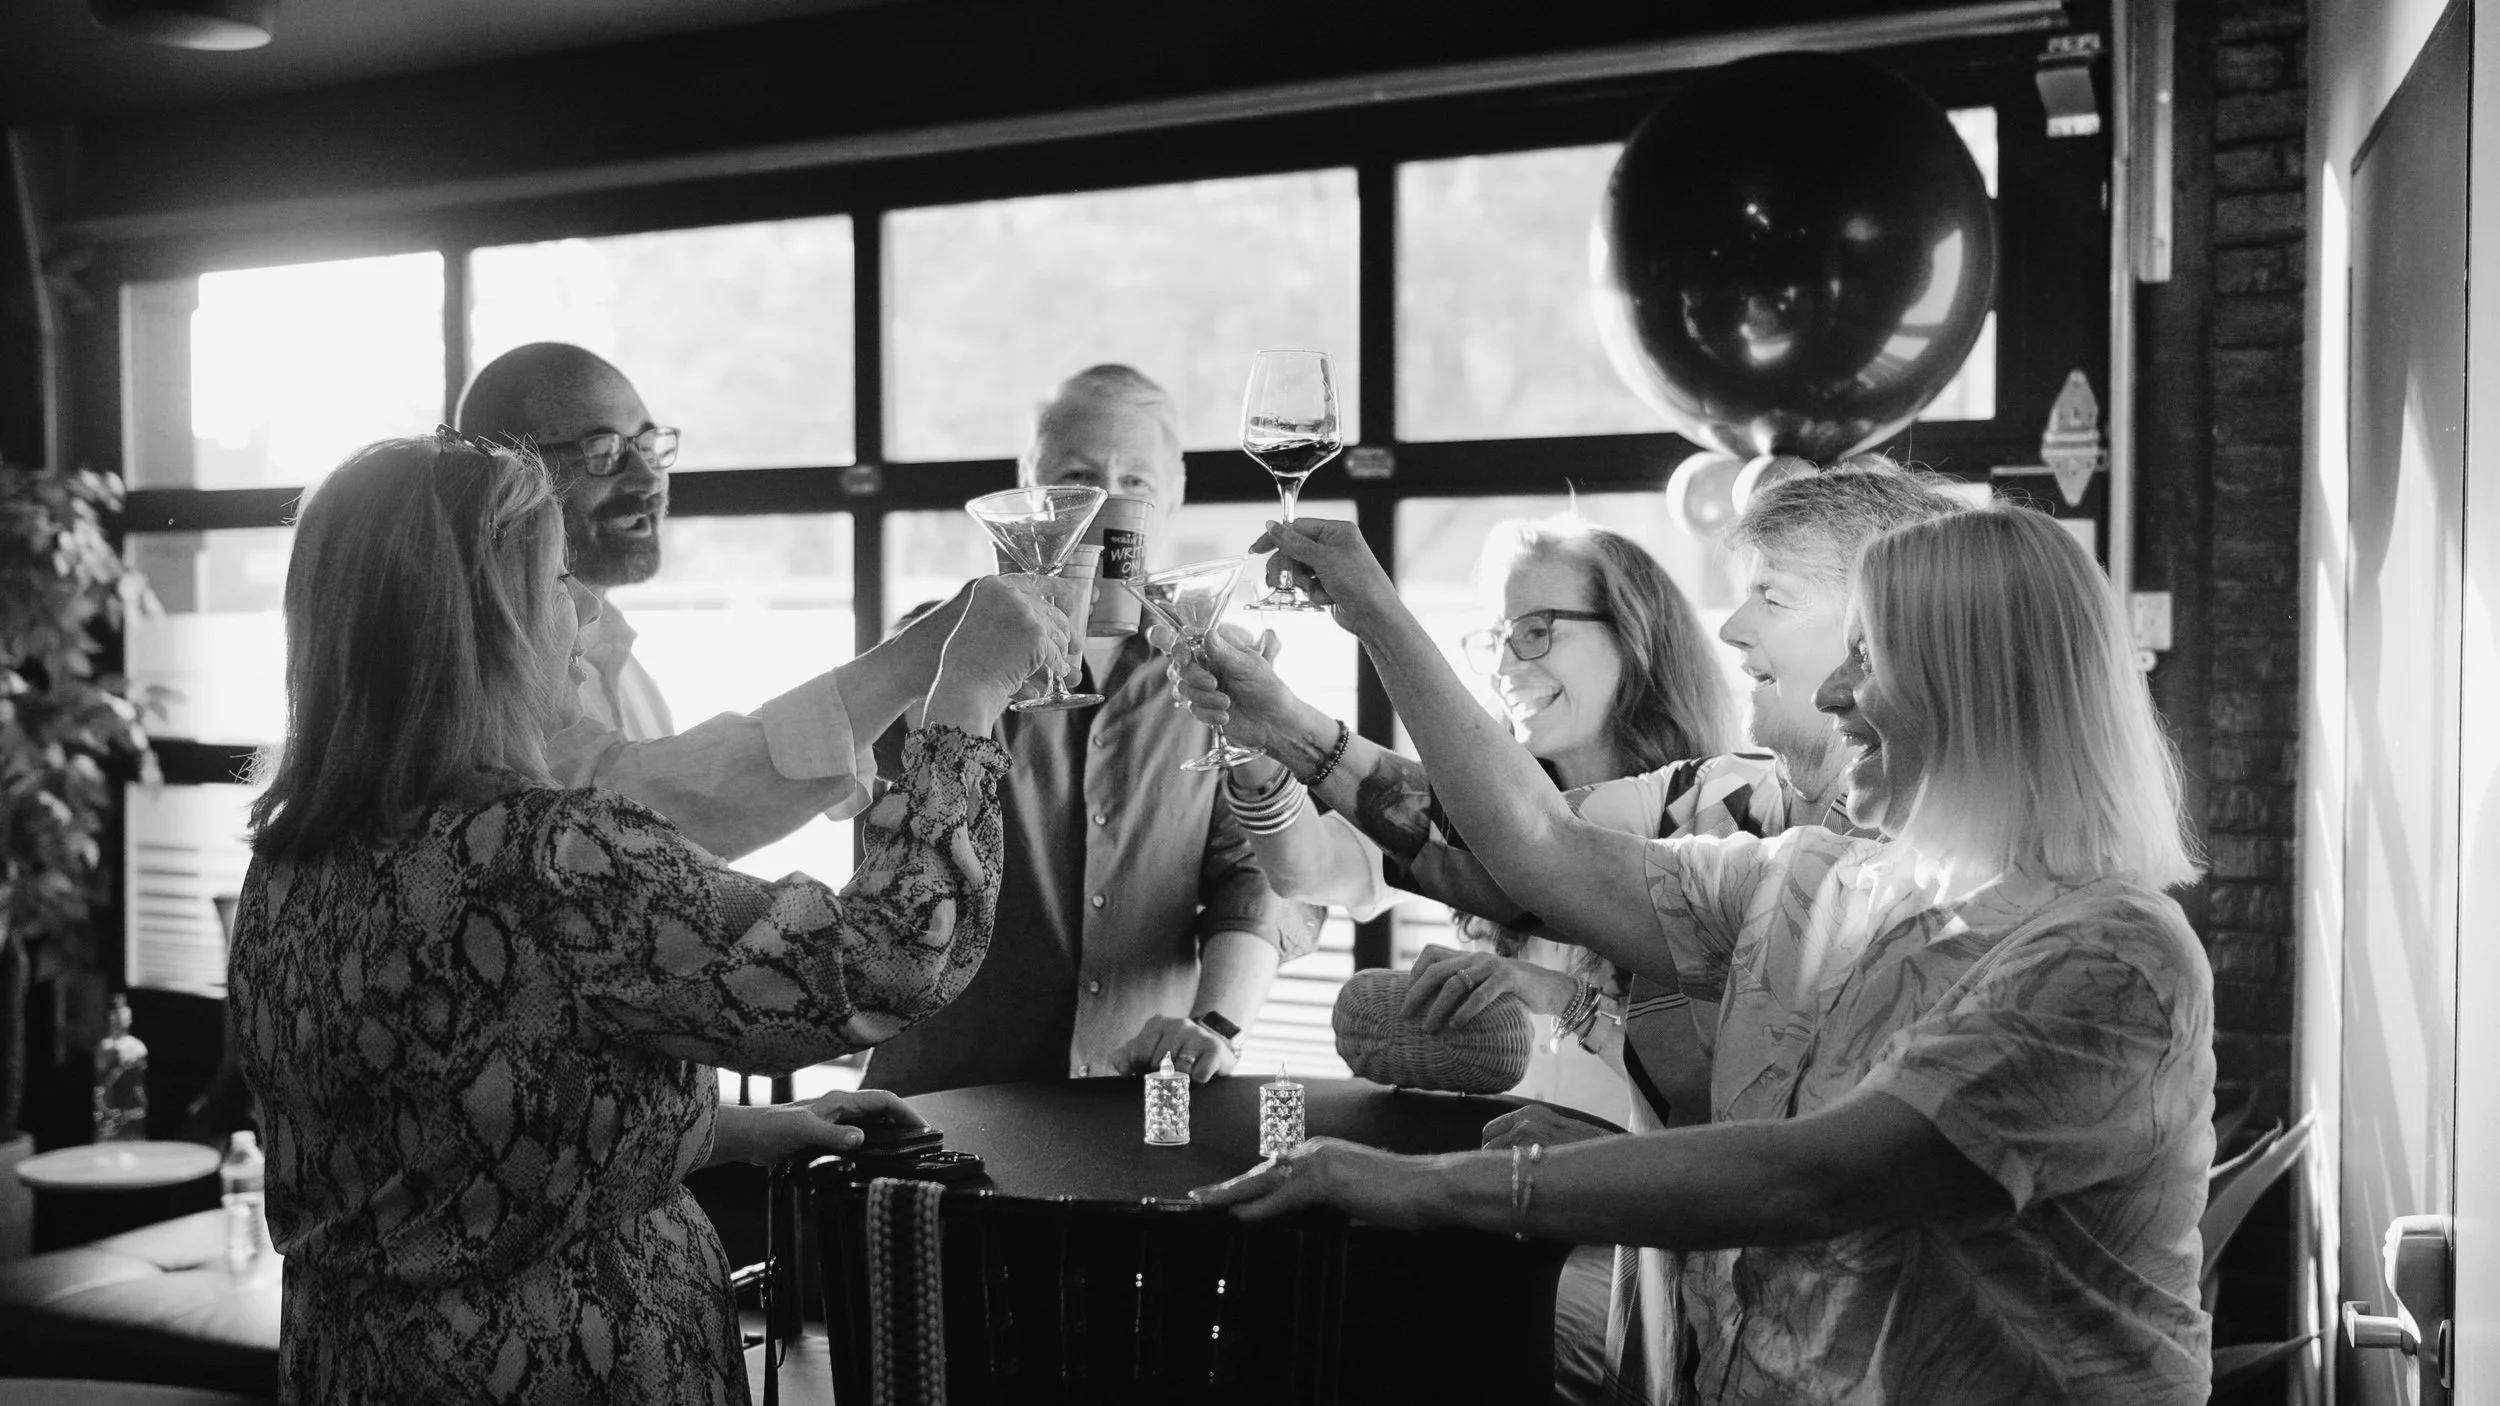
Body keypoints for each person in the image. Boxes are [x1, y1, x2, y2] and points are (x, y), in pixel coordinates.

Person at [1196, 502, 2216, 1404]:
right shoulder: (1819, 876)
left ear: (1977, 683)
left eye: (1869, 656)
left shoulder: (2110, 955)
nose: (1834, 694)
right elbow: (1537, 846)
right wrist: (1369, 617)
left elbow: (1811, 1181)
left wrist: (1424, 1185)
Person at [227, 432, 1071, 1404]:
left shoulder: (287, 864)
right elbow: (882, 963)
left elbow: (454, 1125)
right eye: (557, 580)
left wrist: (734, 1129)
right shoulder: (551, 854)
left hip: (352, 1366)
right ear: (486, 620)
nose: (585, 612)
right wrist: (966, 699)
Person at [863, 365, 1322, 1096]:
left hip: (1138, 1100)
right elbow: (884, 864)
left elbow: (1259, 879)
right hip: (944, 1102)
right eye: (1077, 477)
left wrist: (1216, 1025)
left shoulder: (1218, 678)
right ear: (1029, 485)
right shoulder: (933, 650)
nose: (1106, 504)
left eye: (1134, 481)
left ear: (1173, 499)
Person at [1215, 514, 1736, 1121]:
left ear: (1638, 637)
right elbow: (1307, 870)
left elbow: (1720, 1088)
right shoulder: (1472, 806)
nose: (1505, 668)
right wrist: (1257, 743)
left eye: (1536, 631)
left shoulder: (1710, 819)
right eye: (1498, 638)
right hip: (1499, 1166)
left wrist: (1569, 1002)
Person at [457, 342, 965, 861]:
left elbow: (671, 860)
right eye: (604, 450)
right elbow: (622, 822)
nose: (647, 477)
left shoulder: (619, 652)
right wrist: (910, 662)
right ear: (506, 477)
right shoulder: (478, 665)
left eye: (648, 444)